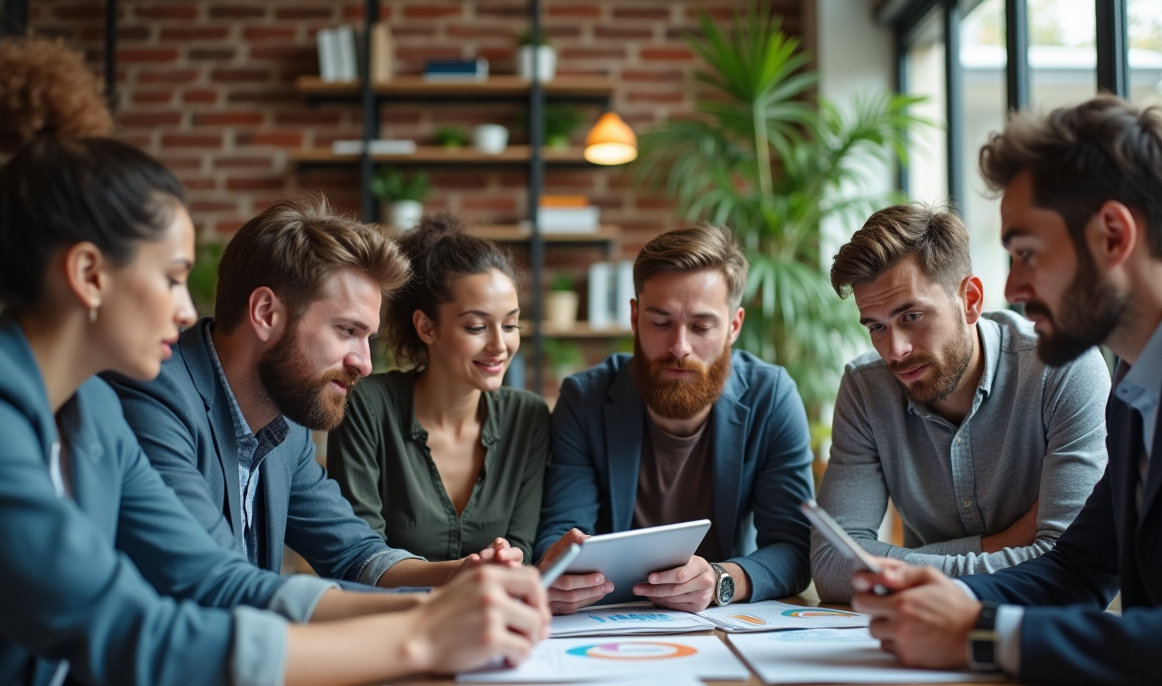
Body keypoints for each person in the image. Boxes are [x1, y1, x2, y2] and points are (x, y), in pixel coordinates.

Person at [0, 131, 548, 686]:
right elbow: (144, 634)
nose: (184, 307)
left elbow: (224, 582)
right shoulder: (135, 399)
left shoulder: (94, 411)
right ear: (90, 275)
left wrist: (444, 598)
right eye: (173, 277)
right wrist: (422, 635)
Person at [851, 95, 1162, 686]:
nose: (1012, 287)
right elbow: (1080, 567)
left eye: (1027, 254)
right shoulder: (1136, 386)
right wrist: (949, 596)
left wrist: (987, 634)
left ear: (1113, 235)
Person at [107, 197, 523, 588]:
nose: (364, 363)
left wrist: (460, 575)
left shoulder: (283, 422)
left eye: (369, 338)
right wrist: (419, 629)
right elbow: (215, 580)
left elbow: (355, 554)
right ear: (266, 313)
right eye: (347, 331)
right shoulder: (154, 395)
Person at [811, 204, 1109, 603]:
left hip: (1037, 645)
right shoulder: (867, 389)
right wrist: (995, 544)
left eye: (912, 316)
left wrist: (902, 567)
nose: (895, 351)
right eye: (877, 327)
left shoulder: (1062, 368)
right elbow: (832, 566)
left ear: (970, 299)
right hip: (920, 642)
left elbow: (1067, 571)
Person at [535, 225, 815, 614]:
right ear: (634, 318)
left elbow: (795, 549)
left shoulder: (771, 397)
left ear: (733, 326)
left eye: (701, 326)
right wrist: (557, 571)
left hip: (723, 620)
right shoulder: (585, 399)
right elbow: (561, 529)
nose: (679, 347)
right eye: (661, 323)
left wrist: (722, 579)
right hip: (606, 618)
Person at [327, 215, 549, 564]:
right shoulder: (367, 407)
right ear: (427, 327)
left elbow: (522, 547)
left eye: (510, 324)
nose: (500, 345)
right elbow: (357, 559)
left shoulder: (528, 417)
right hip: (395, 615)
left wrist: (509, 561)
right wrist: (466, 573)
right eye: (476, 327)